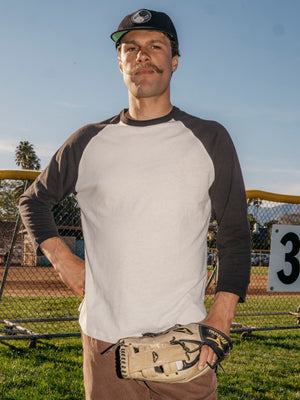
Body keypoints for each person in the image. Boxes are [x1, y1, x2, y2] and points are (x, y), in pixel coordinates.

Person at [19, 9, 251, 400]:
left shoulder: (210, 139)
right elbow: (33, 200)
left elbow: (234, 232)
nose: (142, 56)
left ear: (173, 61)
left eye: (155, 46)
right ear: (119, 61)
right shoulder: (87, 141)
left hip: (185, 344)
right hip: (105, 343)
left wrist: (222, 314)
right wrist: (65, 262)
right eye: (131, 48)